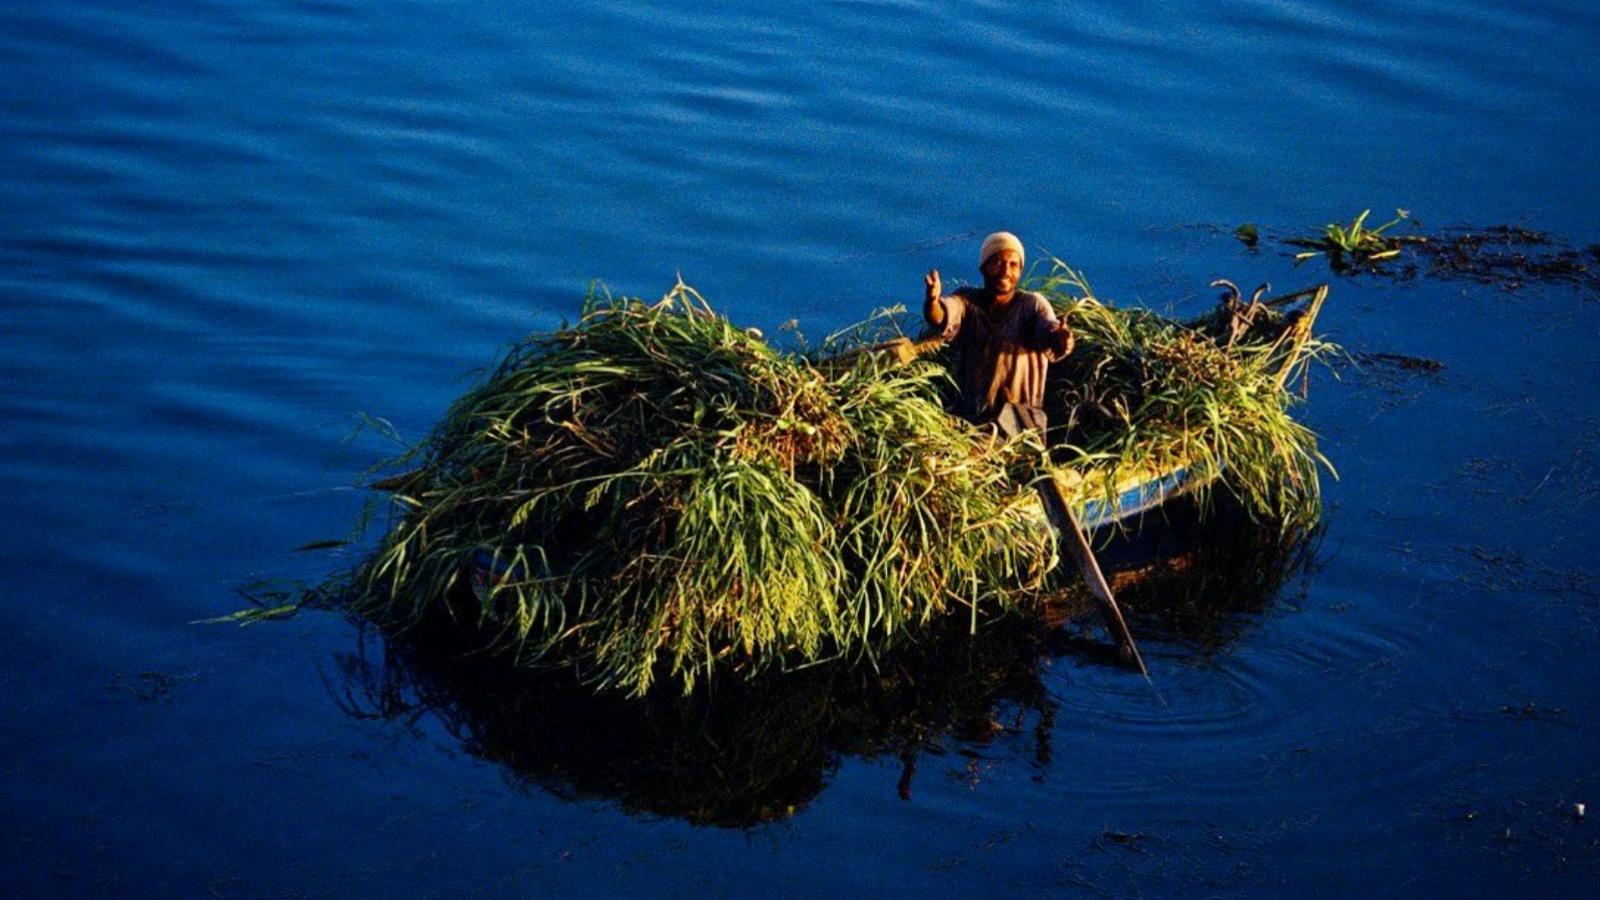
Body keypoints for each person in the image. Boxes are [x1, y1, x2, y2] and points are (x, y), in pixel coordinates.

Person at [923, 231, 1074, 437]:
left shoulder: (1032, 305)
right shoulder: (967, 302)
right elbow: (941, 317)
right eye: (998, 262)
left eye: (1013, 265)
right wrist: (932, 301)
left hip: (1020, 425)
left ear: (1020, 271)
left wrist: (1062, 339)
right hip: (971, 423)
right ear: (984, 267)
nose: (1005, 271)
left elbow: (1051, 333)